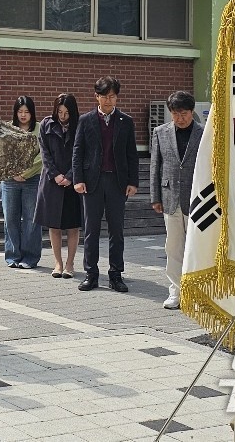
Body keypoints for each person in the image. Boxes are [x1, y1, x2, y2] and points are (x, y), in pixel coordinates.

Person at [72, 76, 139, 293]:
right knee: (91, 229)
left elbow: (132, 154)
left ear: (117, 97)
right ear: (97, 97)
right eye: (104, 96)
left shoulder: (126, 121)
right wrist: (78, 179)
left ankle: (116, 274)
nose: (108, 101)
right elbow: (78, 151)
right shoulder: (86, 120)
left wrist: (133, 181)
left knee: (116, 230)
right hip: (92, 181)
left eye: (112, 96)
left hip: (117, 182)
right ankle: (91, 274)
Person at [149, 91, 203, 310]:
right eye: (175, 113)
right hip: (170, 196)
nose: (180, 118)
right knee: (173, 246)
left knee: (197, 247)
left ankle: (197, 293)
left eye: (184, 113)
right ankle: (175, 292)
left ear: (192, 112)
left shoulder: (204, 133)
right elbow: (155, 166)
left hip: (198, 198)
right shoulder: (160, 132)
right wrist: (155, 197)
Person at [35, 94, 81, 277]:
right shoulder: (47, 124)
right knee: (54, 225)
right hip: (51, 182)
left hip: (73, 182)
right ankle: (58, 264)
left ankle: (70, 264)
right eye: (60, 112)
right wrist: (55, 175)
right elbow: (44, 153)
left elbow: (82, 153)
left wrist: (70, 176)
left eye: (67, 112)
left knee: (72, 225)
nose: (63, 116)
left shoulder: (80, 125)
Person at [4, 96, 44, 270]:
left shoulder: (40, 129)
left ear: (32, 113)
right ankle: (13, 255)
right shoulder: (7, 128)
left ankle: (30, 257)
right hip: (9, 180)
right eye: (20, 111)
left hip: (32, 179)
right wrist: (13, 172)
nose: (23, 115)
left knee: (31, 219)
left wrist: (25, 173)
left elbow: (43, 155)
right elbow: (2, 153)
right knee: (10, 219)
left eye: (26, 112)